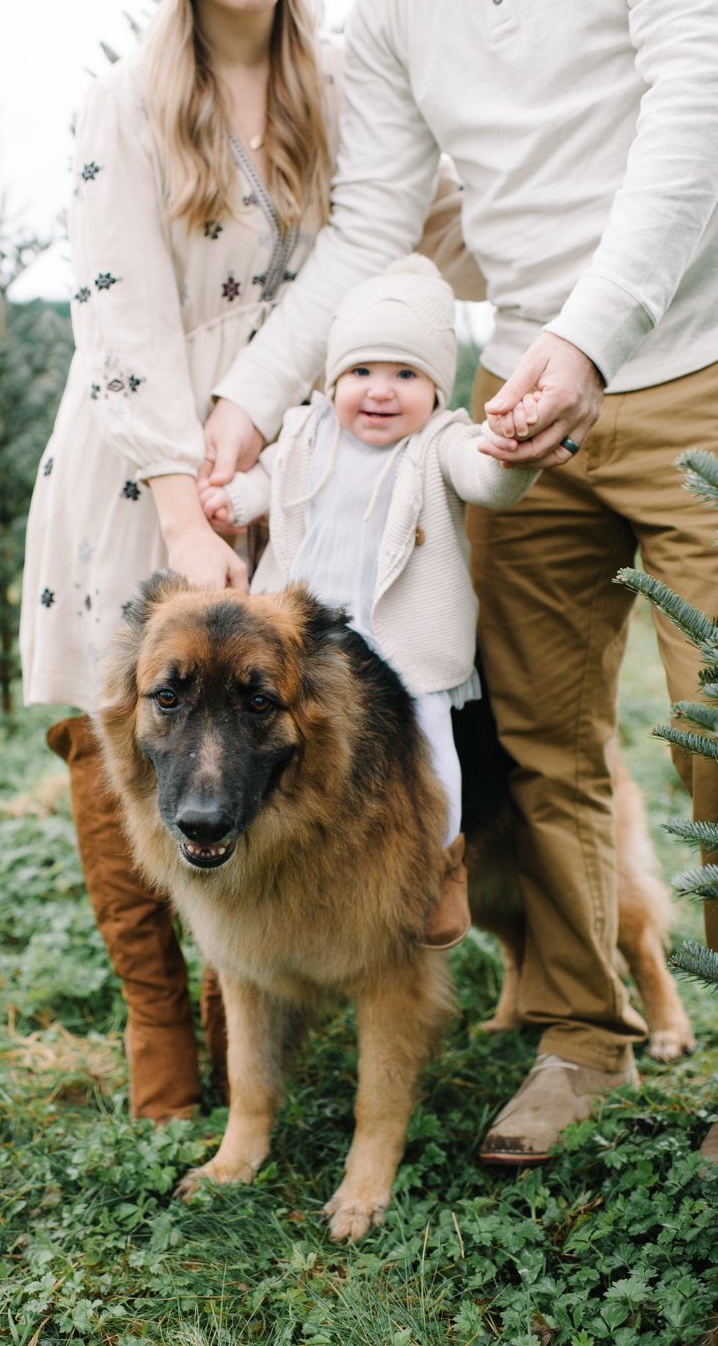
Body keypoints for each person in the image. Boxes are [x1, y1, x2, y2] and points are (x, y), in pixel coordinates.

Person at [204, 0, 718, 1161]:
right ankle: (583, 1038)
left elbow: (695, 129)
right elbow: (377, 219)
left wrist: (593, 339)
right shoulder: (387, 7)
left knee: (715, 733)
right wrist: (251, 396)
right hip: (522, 403)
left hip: (693, 355)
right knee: (538, 739)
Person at [20, 0, 479, 1123]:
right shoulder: (124, 103)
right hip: (150, 450)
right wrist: (184, 515)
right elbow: (118, 315)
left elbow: (441, 227)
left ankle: (261, 1018)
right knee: (135, 714)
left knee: (282, 707)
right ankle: (159, 1024)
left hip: (305, 446)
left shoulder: (348, 78)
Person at [201, 254, 539, 946]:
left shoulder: (442, 441)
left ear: (437, 387)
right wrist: (231, 499)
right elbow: (265, 481)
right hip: (304, 637)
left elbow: (486, 480)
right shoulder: (307, 430)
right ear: (334, 379)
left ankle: (446, 866)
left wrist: (510, 455)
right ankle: (299, 860)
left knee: (437, 755)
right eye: (361, 372)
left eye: (406, 375)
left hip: (407, 642)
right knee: (293, 741)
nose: (380, 392)